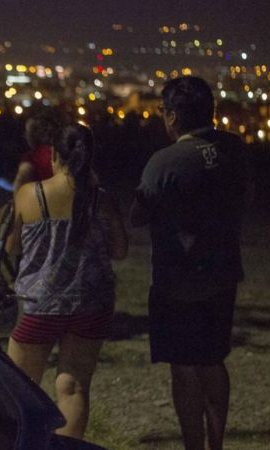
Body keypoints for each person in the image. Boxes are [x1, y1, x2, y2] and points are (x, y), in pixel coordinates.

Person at [130, 76, 249, 450]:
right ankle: (217, 443)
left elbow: (138, 213)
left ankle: (193, 445)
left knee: (183, 367)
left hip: (176, 280)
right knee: (213, 360)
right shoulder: (235, 148)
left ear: (173, 116)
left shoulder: (164, 162)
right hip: (223, 272)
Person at [5, 123, 128, 440]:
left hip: (40, 303)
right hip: (92, 303)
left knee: (20, 388)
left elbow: (12, 247)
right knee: (73, 386)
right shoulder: (102, 200)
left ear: (54, 156)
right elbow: (120, 250)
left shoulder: (30, 194)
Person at [12, 111, 62, 192]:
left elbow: (19, 188)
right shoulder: (62, 154)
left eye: (27, 132)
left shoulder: (32, 157)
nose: (25, 136)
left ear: (33, 134)